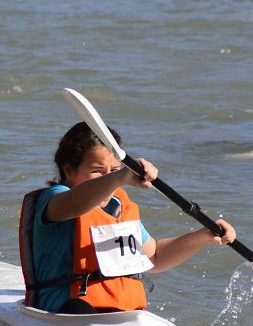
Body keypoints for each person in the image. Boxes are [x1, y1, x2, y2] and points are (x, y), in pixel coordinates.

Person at [19, 122, 238, 314]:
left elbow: (155, 257)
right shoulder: (55, 199)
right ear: (68, 170)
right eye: (97, 171)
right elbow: (76, 203)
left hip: (123, 317)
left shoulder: (118, 207)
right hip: (62, 315)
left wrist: (203, 236)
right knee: (78, 309)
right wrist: (120, 176)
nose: (109, 177)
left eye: (114, 169)